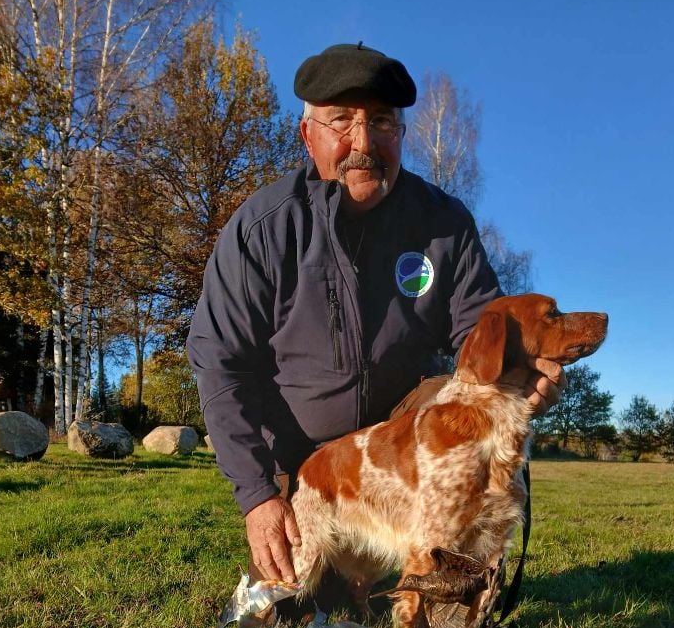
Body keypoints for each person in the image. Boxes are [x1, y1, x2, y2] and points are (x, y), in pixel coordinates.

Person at [187, 42, 563, 588]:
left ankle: (453, 590)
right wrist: (257, 496)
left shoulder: (445, 223)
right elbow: (220, 365)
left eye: (382, 122)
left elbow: (483, 337)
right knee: (280, 606)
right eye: (341, 121)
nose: (363, 143)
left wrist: (528, 374)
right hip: (298, 464)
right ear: (307, 134)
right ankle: (343, 565)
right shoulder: (262, 228)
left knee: (455, 392)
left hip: (400, 458)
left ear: (402, 135)